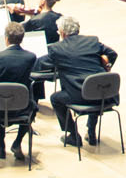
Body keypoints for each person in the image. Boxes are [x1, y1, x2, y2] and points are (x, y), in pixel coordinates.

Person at [45, 15, 118, 147]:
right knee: (96, 86)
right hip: (105, 95)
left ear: (62, 32)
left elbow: (43, 65)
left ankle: (73, 135)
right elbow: (112, 54)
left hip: (80, 97)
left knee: (56, 98)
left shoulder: (57, 48)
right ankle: (91, 131)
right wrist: (106, 67)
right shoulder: (92, 41)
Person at [0, 21, 42, 161]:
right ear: (22, 38)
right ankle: (17, 142)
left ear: (6, 39)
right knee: (33, 108)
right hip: (22, 106)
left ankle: (1, 146)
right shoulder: (30, 57)